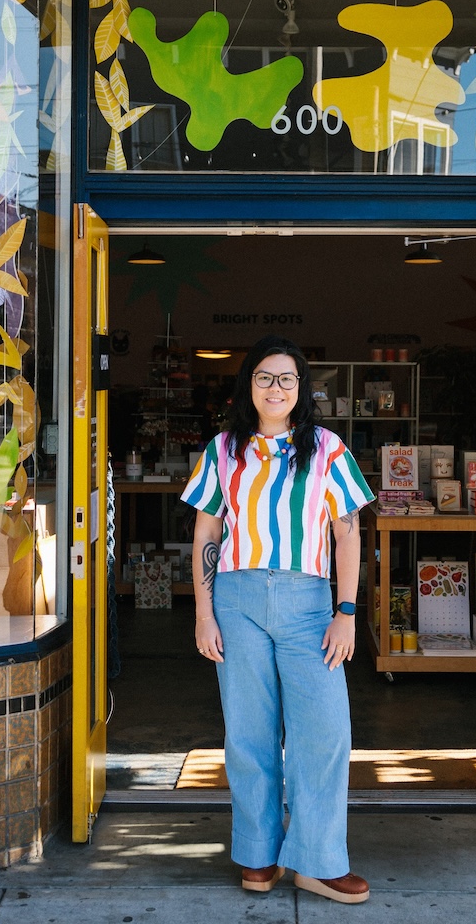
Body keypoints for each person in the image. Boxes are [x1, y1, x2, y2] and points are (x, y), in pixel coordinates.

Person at [183, 335, 375, 906]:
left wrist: (346, 613)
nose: (276, 388)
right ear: (249, 385)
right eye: (266, 377)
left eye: (287, 379)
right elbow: (206, 533)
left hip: (310, 604)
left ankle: (318, 861)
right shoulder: (222, 450)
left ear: (302, 389)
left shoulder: (328, 450)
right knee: (248, 733)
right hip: (237, 601)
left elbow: (347, 533)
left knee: (324, 731)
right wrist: (202, 611)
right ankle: (258, 855)